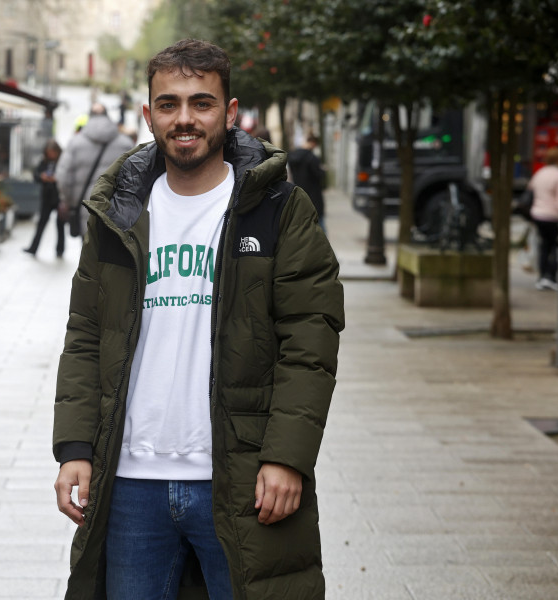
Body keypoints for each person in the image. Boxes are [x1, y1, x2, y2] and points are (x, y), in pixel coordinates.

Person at [52, 39, 344, 600]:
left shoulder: (278, 208)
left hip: (238, 476)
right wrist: (75, 451)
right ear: (149, 115)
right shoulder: (117, 214)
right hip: (130, 483)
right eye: (168, 104)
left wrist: (287, 457)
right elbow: (85, 338)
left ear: (230, 113)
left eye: (201, 103)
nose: (184, 118)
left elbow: (309, 341)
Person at [56, 103, 133, 239]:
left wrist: (69, 202)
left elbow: (63, 177)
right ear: (107, 116)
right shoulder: (125, 143)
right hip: (117, 211)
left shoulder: (75, 143)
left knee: (88, 252)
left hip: (85, 207)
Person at [528, 146, 558, 291]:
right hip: (552, 216)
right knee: (555, 247)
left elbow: (531, 189)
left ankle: (542, 277)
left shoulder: (540, 173)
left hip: (537, 214)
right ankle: (551, 276)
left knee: (544, 246)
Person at [24, 139, 65, 258]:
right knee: (41, 223)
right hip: (47, 197)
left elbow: (67, 176)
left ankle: (60, 250)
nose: (51, 155)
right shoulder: (44, 162)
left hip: (59, 196)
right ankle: (33, 248)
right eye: (49, 152)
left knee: (60, 224)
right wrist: (42, 177)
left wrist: (56, 179)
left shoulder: (63, 161)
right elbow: (36, 175)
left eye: (52, 152)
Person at [288, 133, 327, 233]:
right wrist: (323, 170)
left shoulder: (292, 157)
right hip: (314, 195)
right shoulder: (312, 158)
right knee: (319, 224)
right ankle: (323, 247)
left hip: (299, 193)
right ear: (313, 143)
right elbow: (319, 175)